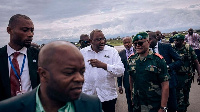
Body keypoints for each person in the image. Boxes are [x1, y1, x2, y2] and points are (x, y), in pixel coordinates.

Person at [0, 41, 102, 112]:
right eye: (69, 72)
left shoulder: (92, 105)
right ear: (43, 74)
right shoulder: (9, 108)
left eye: (82, 72)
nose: (80, 78)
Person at [80, 29, 124, 112]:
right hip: (88, 97)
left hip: (107, 97)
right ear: (90, 41)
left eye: (103, 39)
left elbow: (120, 71)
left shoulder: (112, 52)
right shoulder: (82, 53)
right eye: (98, 39)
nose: (102, 42)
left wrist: (104, 66)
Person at [0, 14, 40, 101]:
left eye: (32, 30)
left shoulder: (38, 56)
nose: (30, 34)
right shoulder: (1, 55)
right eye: (25, 30)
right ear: (9, 30)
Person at [128, 32, 170, 112]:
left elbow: (165, 85)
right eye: (135, 44)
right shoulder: (131, 59)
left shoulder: (158, 60)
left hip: (153, 104)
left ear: (148, 42)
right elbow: (131, 79)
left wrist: (163, 107)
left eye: (140, 43)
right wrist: (132, 95)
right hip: (138, 103)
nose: (137, 46)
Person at [149, 31, 183, 112]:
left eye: (149, 39)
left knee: (172, 106)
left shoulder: (166, 47)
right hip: (154, 85)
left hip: (169, 82)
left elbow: (179, 60)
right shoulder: (146, 50)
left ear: (155, 38)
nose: (148, 41)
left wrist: (168, 67)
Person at [172, 34, 200, 112]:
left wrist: (199, 74)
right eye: (175, 40)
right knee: (178, 95)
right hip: (176, 76)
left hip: (186, 77)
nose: (175, 42)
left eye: (177, 40)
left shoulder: (188, 49)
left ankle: (184, 106)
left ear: (182, 41)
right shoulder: (172, 49)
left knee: (185, 94)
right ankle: (180, 108)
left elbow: (196, 62)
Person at [117, 36, 135, 112]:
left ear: (132, 42)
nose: (127, 44)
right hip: (127, 82)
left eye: (128, 42)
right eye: (125, 43)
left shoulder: (137, 51)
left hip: (138, 81)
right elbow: (119, 70)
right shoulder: (121, 54)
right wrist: (120, 85)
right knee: (129, 101)